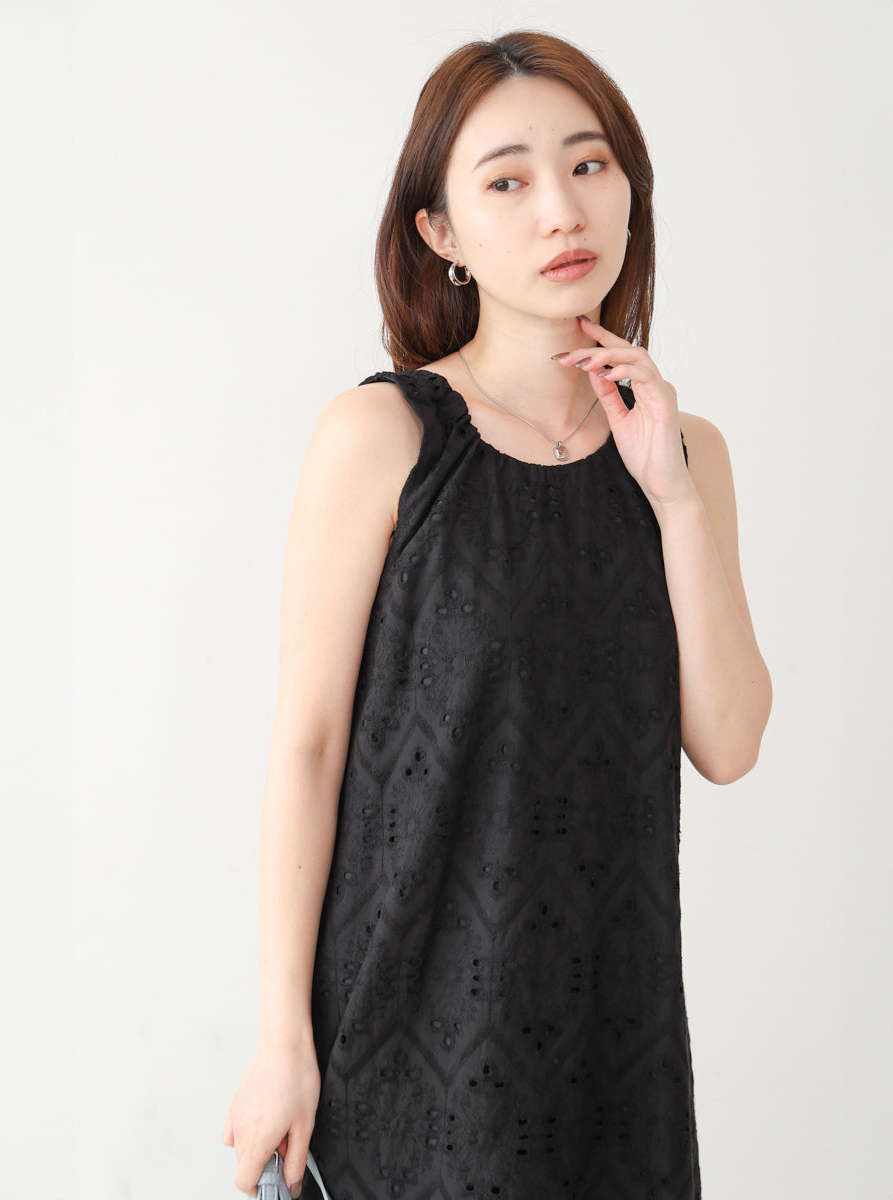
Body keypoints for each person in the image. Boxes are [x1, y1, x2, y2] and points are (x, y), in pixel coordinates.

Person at [222, 28, 771, 1200]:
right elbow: (307, 745)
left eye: (588, 165)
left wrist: (671, 495)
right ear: (441, 232)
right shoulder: (383, 437)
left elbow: (728, 742)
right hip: (403, 1045)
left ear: (629, 187)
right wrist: (279, 1039)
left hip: (613, 1051)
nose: (561, 211)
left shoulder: (687, 455)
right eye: (507, 182)